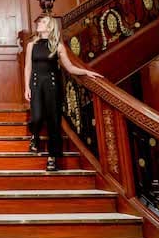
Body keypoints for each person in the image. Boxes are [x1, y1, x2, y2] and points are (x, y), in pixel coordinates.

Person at [23, 15, 101, 171]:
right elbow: (28, 67)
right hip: (36, 84)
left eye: (43, 22)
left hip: (52, 86)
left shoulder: (57, 46)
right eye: (39, 22)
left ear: (50, 27)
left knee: (53, 121)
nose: (39, 23)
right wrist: (27, 87)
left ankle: (52, 157)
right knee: (37, 116)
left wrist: (86, 72)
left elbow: (70, 67)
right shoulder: (32, 45)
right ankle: (35, 136)